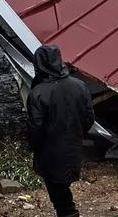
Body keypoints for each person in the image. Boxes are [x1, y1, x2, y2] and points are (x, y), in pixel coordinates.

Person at [27, 45, 95, 217]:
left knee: (60, 198)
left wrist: (34, 147)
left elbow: (35, 127)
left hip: (50, 152)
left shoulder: (38, 93)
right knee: (62, 192)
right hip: (73, 147)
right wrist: (76, 134)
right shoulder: (79, 86)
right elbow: (89, 118)